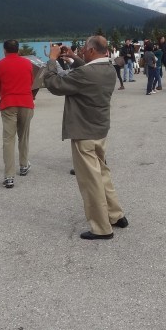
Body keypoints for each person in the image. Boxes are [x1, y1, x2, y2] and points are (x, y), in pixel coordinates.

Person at [43, 36, 127, 240]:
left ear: (91, 50)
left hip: (84, 132)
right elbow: (87, 72)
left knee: (91, 181)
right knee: (103, 174)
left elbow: (54, 84)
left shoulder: (86, 73)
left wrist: (52, 59)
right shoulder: (108, 68)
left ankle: (101, 227)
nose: (81, 52)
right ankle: (116, 215)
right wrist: (72, 56)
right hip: (99, 130)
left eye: (83, 50)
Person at [0, 39, 35, 189]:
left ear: (4, 50)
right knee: (23, 136)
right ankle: (23, 166)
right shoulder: (27, 64)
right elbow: (30, 82)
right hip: (26, 103)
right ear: (18, 50)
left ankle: (9, 176)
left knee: (8, 140)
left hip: (8, 104)